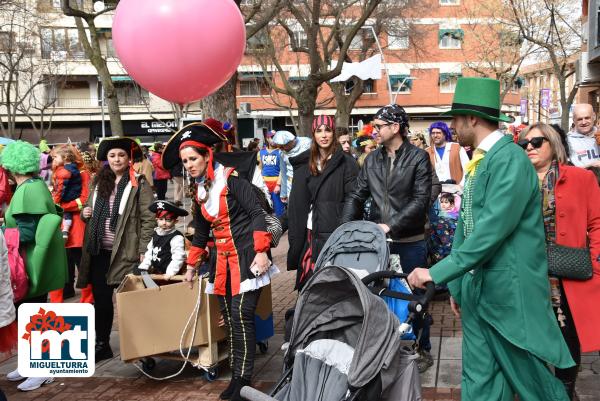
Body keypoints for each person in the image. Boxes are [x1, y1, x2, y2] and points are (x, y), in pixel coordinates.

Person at [408, 77, 574, 401]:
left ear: (471, 118)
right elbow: (465, 228)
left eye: (456, 119)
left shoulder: (510, 160)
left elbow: (490, 232)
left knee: (534, 386)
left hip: (508, 297)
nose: (453, 126)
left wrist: (436, 273)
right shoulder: (480, 159)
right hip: (479, 292)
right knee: (480, 382)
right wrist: (457, 285)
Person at [162, 122, 276, 401]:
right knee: (231, 321)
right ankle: (237, 379)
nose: (188, 165)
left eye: (193, 159)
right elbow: (201, 233)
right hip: (222, 264)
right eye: (185, 161)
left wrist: (262, 251)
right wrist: (191, 266)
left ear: (207, 156)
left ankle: (243, 381)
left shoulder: (233, 180)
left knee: (241, 316)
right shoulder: (200, 192)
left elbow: (258, 214)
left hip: (249, 257)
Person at [341, 104, 434, 372]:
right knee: (379, 296)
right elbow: (358, 195)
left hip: (410, 240)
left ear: (395, 127)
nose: (374, 131)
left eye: (378, 126)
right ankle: (385, 346)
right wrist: (345, 228)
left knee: (415, 297)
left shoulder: (418, 158)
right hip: (379, 243)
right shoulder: (372, 160)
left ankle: (421, 347)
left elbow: (420, 200)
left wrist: (389, 226)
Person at [518, 122, 600, 400]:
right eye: (524, 143)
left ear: (554, 144)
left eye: (537, 142)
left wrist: (596, 262)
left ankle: (565, 388)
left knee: (568, 334)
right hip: (528, 272)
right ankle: (541, 388)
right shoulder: (517, 180)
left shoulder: (581, 178)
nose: (529, 147)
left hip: (568, 271)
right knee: (533, 335)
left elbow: (597, 223)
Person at [79, 137, 155, 362]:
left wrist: (143, 249)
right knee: (101, 302)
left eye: (121, 155)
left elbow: (149, 218)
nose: (116, 159)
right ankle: (102, 345)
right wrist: (85, 213)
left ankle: (141, 348)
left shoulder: (138, 183)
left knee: (131, 304)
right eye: (112, 156)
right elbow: (88, 207)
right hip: (99, 251)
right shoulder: (97, 181)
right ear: (106, 159)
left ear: (128, 158)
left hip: (126, 252)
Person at [2, 140, 67, 391]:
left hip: (29, 263)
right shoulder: (35, 186)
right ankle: (31, 364)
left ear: (11, 168)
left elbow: (26, 233)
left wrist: (2, 231)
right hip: (33, 261)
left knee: (33, 315)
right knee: (30, 313)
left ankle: (42, 369)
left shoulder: (27, 191)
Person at [287, 115, 358, 289]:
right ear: (314, 134)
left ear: (333, 133)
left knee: (333, 284)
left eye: (328, 130)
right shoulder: (304, 163)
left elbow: (354, 198)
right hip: (310, 232)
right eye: (319, 131)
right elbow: (297, 202)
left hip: (335, 231)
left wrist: (345, 227)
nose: (324, 135)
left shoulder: (347, 163)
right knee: (309, 282)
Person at [48, 145, 94, 303]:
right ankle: (56, 303)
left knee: (82, 266)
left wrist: (61, 207)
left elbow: (84, 200)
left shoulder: (83, 174)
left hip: (77, 228)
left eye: (54, 157)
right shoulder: (58, 174)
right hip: (60, 226)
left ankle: (87, 300)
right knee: (57, 267)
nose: (52, 160)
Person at [138, 200, 187, 277]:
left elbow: (178, 257)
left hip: (171, 276)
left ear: (175, 221)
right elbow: (150, 252)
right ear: (157, 219)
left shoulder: (177, 237)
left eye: (168, 220)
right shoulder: (156, 234)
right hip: (156, 273)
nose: (164, 223)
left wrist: (170, 273)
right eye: (161, 219)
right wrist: (144, 267)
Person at [51, 145, 83, 239]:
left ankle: (65, 230)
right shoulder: (73, 168)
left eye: (55, 157)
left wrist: (55, 201)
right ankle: (65, 230)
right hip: (73, 195)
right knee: (67, 215)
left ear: (65, 157)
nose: (54, 160)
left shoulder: (65, 171)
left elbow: (60, 188)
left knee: (65, 214)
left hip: (68, 196)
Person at [272, 130, 311, 203]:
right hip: (291, 182)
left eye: (283, 146)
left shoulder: (307, 143)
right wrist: (283, 192)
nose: (281, 149)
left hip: (308, 181)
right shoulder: (281, 152)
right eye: (279, 147)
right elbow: (283, 171)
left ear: (291, 141)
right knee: (293, 208)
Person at [258, 130, 284, 217]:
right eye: (272, 137)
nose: (273, 140)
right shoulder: (261, 152)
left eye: (275, 138)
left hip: (276, 182)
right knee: (265, 206)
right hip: (264, 183)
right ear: (267, 138)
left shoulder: (281, 152)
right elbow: (260, 168)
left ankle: (281, 226)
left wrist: (279, 184)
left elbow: (282, 170)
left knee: (278, 207)